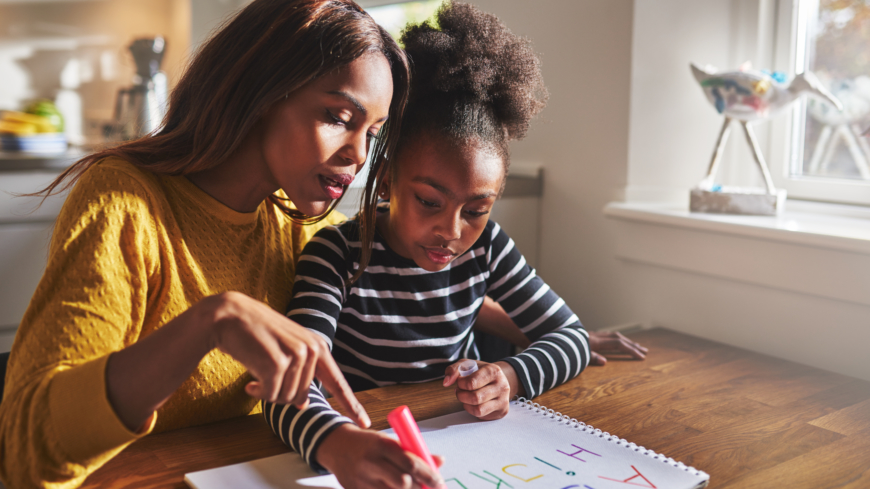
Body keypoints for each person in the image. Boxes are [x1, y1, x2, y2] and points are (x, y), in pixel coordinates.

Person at [0, 1, 411, 487]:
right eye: (339, 116)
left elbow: (415, 277)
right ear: (261, 94)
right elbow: (27, 453)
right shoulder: (126, 201)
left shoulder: (302, 230)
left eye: (373, 133)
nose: (359, 154)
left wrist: (504, 360)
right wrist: (208, 323)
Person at [262, 3, 646, 489]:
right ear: (386, 180)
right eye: (428, 201)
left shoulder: (487, 249)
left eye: (477, 209)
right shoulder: (336, 255)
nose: (452, 231)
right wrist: (335, 440)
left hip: (458, 446)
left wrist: (507, 377)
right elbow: (289, 388)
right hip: (366, 442)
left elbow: (570, 338)